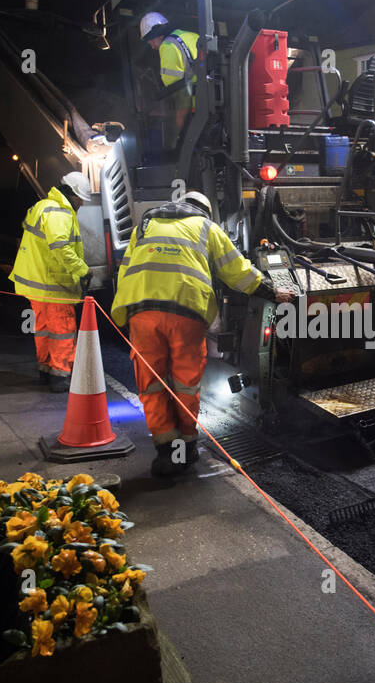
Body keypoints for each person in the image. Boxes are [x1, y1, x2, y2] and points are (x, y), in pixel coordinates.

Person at [111, 190, 295, 477]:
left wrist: (123, 312)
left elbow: (126, 270)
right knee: (186, 383)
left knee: (151, 382)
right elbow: (238, 272)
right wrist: (272, 291)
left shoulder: (144, 226)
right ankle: (186, 448)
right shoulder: (207, 227)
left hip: (141, 311)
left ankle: (165, 452)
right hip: (186, 311)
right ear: (204, 211)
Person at [10, 171, 91, 393]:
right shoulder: (60, 213)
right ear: (72, 194)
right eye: (80, 198)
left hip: (38, 285)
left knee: (44, 329)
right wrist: (83, 270)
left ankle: (45, 370)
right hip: (54, 285)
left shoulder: (42, 206)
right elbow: (61, 248)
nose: (81, 203)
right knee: (62, 330)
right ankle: (60, 375)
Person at [139, 12, 200, 149]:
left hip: (195, 111)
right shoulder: (189, 36)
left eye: (151, 40)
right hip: (213, 106)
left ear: (158, 33)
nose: (152, 46)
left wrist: (175, 135)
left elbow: (179, 94)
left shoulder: (167, 46)